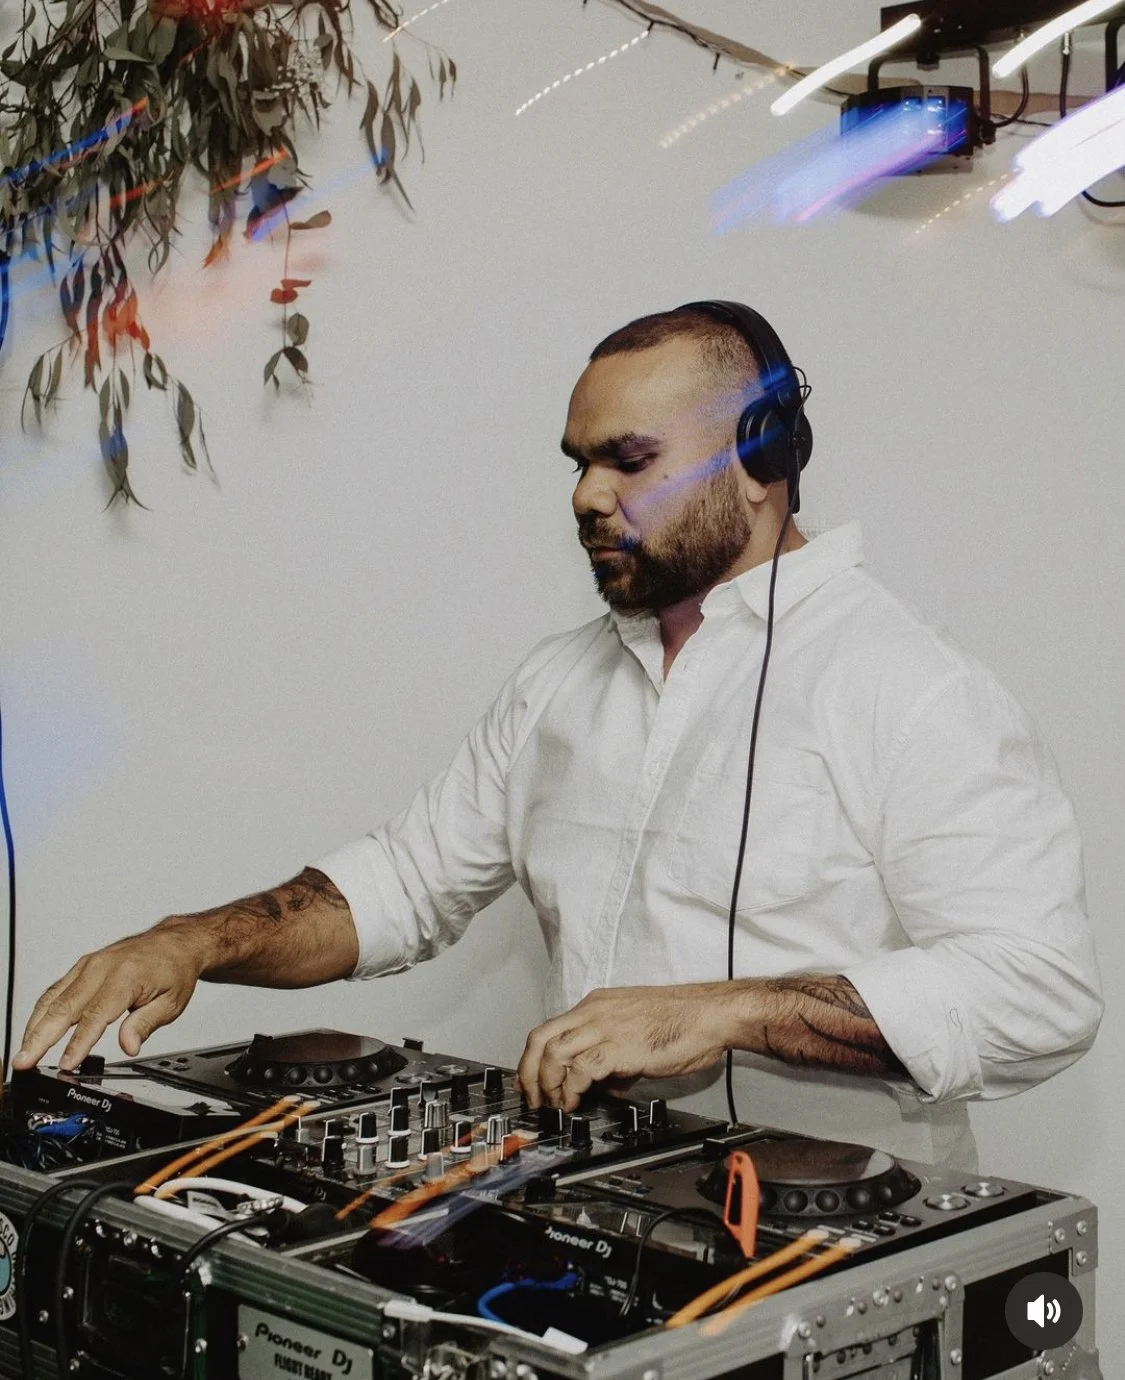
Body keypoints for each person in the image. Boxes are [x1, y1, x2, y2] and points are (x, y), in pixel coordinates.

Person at [12, 301, 1103, 1168]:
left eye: (630, 461)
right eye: (578, 462)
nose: (587, 496)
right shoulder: (558, 684)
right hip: (593, 1207)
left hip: (820, 1246)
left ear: (763, 461)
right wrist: (192, 938)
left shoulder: (912, 689)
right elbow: (399, 886)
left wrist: (728, 1012)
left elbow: (1040, 992)